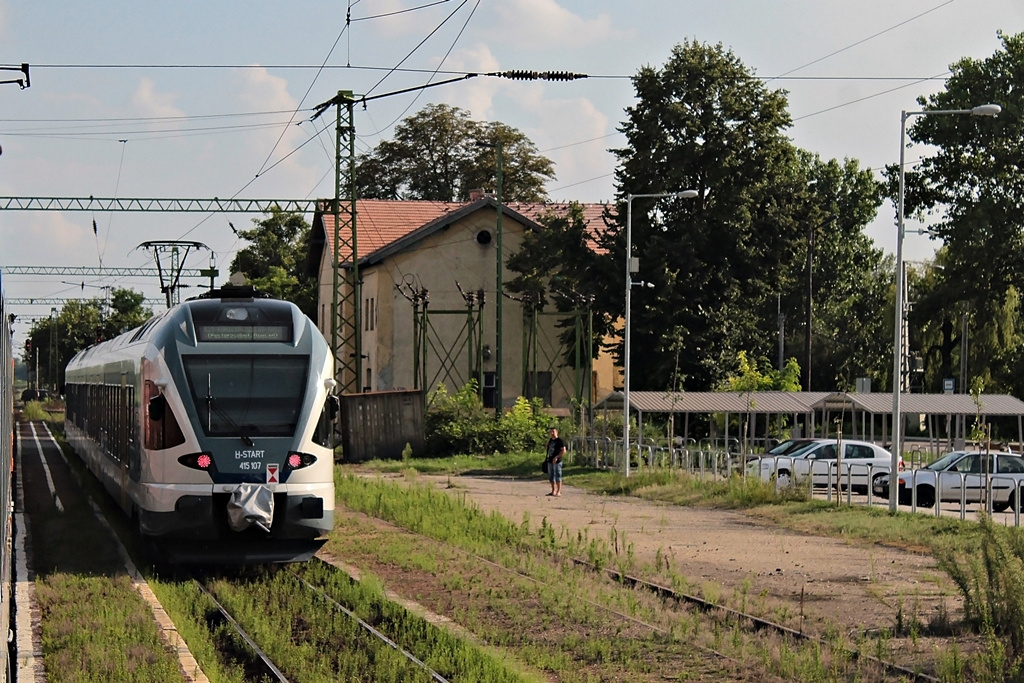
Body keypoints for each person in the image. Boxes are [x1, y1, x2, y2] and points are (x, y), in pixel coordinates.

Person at [545, 427, 566, 497]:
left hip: (557, 461)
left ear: (557, 432)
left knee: (558, 475)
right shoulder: (551, 440)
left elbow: (564, 450)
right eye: (551, 432)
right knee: (551, 476)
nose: (552, 433)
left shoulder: (560, 441)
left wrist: (557, 457)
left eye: (553, 432)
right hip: (550, 460)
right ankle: (553, 490)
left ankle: (558, 491)